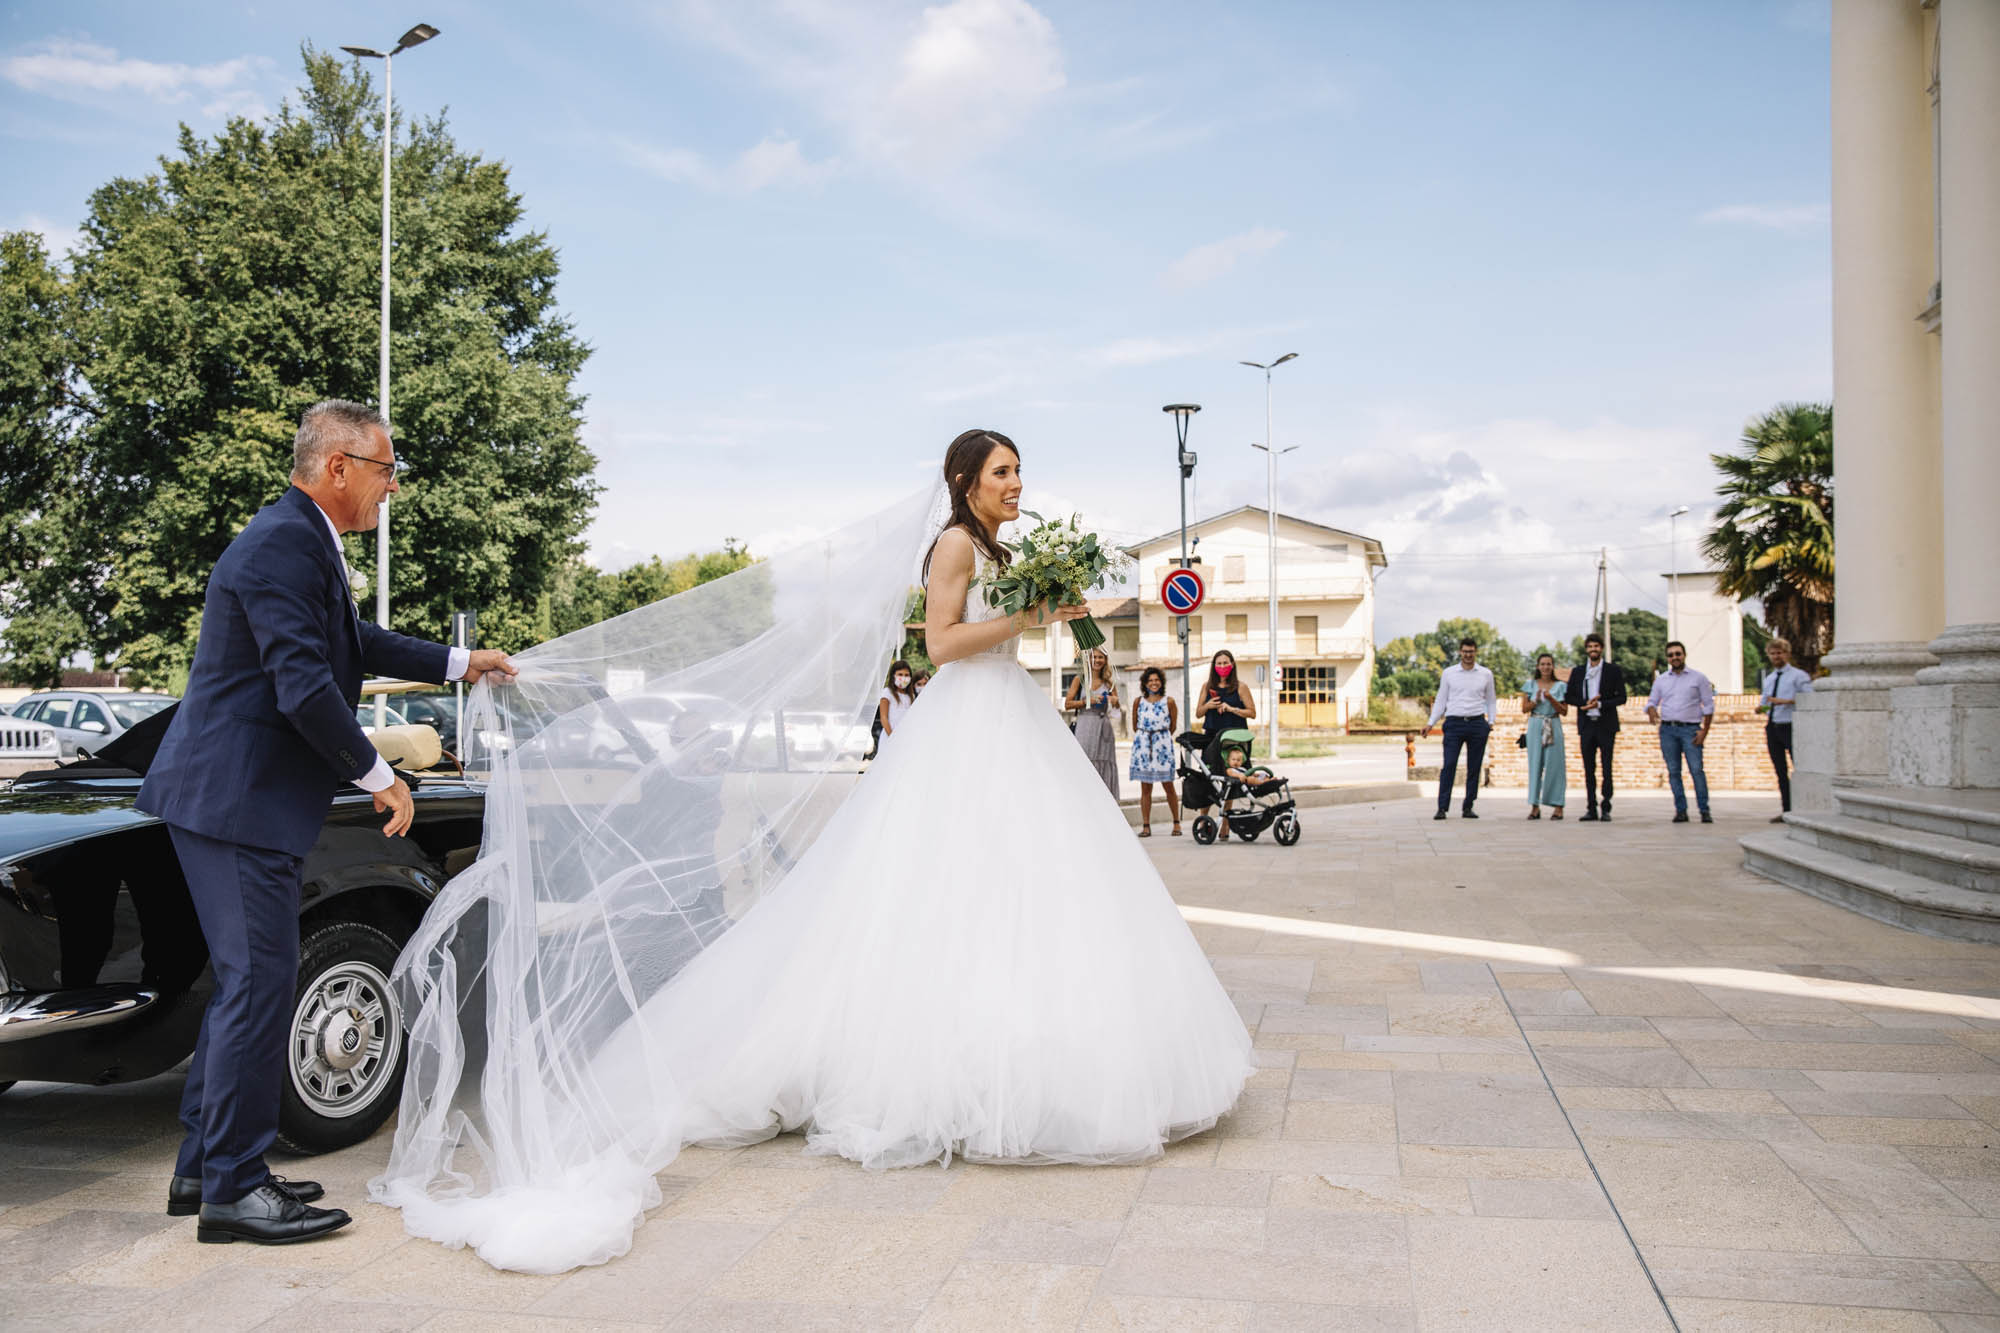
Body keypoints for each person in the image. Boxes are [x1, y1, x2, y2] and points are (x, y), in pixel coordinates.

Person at [374, 427, 1257, 1274]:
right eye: (1001, 472)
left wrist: (1054, 613)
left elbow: (996, 629)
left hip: (1012, 719)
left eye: (1019, 469)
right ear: (964, 483)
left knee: (1031, 883)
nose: (1015, 483)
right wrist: (1026, 614)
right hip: (969, 719)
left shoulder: (1002, 550)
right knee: (946, 882)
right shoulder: (955, 544)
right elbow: (942, 644)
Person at [136, 401, 514, 1246]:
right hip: (239, 802)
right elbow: (303, 685)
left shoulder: (301, 539)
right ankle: (234, 1189)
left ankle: (205, 1167)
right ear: (338, 466)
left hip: (239, 800)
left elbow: (355, 642)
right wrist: (382, 776)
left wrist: (461, 662)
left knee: (249, 985)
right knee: (260, 985)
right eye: (386, 469)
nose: (392, 488)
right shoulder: (284, 543)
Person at [1422, 638, 1496, 819]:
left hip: (1477, 722)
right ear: (1460, 652)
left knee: (1474, 767)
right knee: (1449, 765)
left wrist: (1491, 722)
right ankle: (1442, 807)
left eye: (1471, 651)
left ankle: (1468, 806)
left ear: (1476, 652)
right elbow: (1441, 700)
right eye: (1465, 651)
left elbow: (1491, 700)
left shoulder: (1485, 674)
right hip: (1454, 722)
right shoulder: (1449, 673)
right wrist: (1430, 723)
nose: (1468, 655)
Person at [1647, 640, 1715, 824]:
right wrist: (1651, 709)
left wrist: (1704, 731)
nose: (1675, 657)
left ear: (1684, 655)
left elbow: (1709, 706)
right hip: (1668, 730)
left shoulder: (1698, 678)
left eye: (1678, 654)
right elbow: (1652, 701)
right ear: (1667, 658)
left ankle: (1704, 810)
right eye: (1671, 655)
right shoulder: (1661, 680)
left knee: (1696, 770)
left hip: (1690, 730)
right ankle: (1681, 811)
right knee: (1674, 771)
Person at [1194, 649, 1256, 839]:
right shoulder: (1207, 687)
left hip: (1233, 739)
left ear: (1232, 665)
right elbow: (1198, 713)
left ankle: (1226, 824)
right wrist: (1209, 705)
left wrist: (1232, 709)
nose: (1222, 666)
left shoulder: (1241, 687)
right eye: (1219, 663)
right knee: (1209, 779)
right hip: (1212, 738)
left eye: (1225, 663)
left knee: (1230, 781)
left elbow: (1252, 712)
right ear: (1214, 666)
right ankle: (1203, 820)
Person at [1566, 632, 1627, 822]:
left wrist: (1600, 704)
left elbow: (1622, 697)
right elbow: (1569, 697)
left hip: (1605, 724)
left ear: (1601, 648)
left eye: (1596, 646)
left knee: (1607, 767)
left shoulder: (1612, 670)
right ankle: (1591, 807)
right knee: (1588, 768)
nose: (1593, 649)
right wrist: (1584, 703)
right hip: (1587, 725)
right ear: (1586, 649)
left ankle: (1606, 806)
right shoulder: (1578, 672)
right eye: (1590, 647)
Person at [1756, 637, 1813, 823]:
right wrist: (1761, 708)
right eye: (1772, 654)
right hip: (1773, 726)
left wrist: (1786, 701)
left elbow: (1809, 699)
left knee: (1799, 767)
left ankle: (1804, 808)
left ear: (1787, 654)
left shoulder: (1798, 676)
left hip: (1791, 725)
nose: (1776, 657)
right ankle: (1786, 810)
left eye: (1779, 653)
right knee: (1780, 771)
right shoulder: (1769, 679)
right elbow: (1767, 702)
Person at [1128, 666, 1180, 836]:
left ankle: (1176, 823)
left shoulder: (1169, 701)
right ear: (1145, 683)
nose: (1154, 683)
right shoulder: (1138, 702)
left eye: (1157, 680)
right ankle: (1146, 825)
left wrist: (1160, 737)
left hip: (1162, 746)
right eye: (1150, 680)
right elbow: (1135, 725)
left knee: (1168, 785)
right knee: (1145, 788)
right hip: (1143, 746)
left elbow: (1172, 726)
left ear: (1161, 682)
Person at [1065, 645, 1121, 798]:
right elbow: (1068, 704)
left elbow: (1117, 708)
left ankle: (1105, 800)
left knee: (1104, 761)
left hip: (1103, 727)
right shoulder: (1080, 679)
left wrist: (1114, 701)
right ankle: (1084, 799)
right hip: (1085, 725)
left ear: (1105, 660)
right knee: (1084, 762)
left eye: (1100, 657)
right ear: (1088, 659)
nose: (1097, 660)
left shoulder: (1109, 683)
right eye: (1094, 657)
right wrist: (1087, 701)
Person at [1521, 653, 1569, 820]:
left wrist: (1551, 698)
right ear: (1538, 666)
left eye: (1549, 664)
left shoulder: (1561, 686)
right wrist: (1536, 700)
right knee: (1535, 764)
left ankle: (1558, 805)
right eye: (1542, 664)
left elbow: (1564, 711)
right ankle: (1534, 806)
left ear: (1553, 666)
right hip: (1536, 724)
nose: (1545, 667)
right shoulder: (1530, 684)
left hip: (1553, 723)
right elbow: (1524, 709)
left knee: (1556, 765)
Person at [870, 659, 918, 757]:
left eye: (906, 675)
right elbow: (884, 718)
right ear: (893, 676)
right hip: (890, 736)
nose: (903, 678)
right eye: (900, 674)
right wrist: (893, 738)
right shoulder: (887, 693)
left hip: (906, 737)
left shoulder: (911, 696)